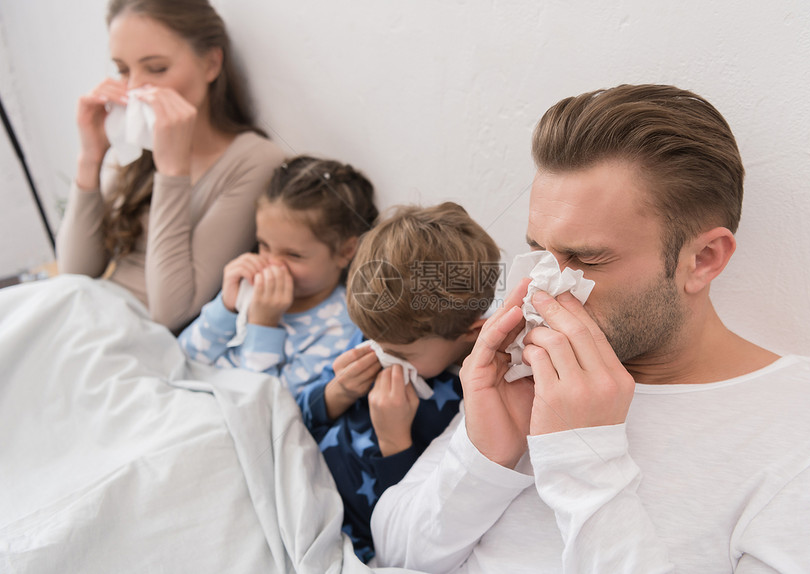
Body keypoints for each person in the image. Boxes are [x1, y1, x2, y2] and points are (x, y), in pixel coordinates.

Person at [370, 85, 810, 572]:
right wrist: (483, 456)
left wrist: (585, 464)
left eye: (585, 258)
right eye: (540, 250)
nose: (544, 287)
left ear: (703, 260)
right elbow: (395, 553)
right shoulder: (526, 375)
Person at [56, 0, 285, 332]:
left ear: (211, 64)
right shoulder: (139, 146)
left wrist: (172, 171)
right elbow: (75, 272)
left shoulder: (254, 161)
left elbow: (170, 312)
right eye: (123, 70)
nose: (134, 88)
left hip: (137, 335)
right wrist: (90, 158)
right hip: (90, 313)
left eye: (156, 68)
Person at [296, 202, 501, 563]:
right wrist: (336, 393)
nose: (381, 355)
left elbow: (414, 521)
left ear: (472, 331)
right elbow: (298, 419)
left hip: (351, 533)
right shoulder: (384, 327)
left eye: (401, 355)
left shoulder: (471, 399)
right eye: (371, 340)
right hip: (298, 477)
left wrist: (395, 443)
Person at [178, 156, 378, 397]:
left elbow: (264, 407)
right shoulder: (249, 288)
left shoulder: (338, 326)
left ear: (345, 252)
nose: (271, 265)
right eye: (263, 245)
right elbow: (185, 355)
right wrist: (226, 308)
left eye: (293, 255)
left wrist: (263, 326)